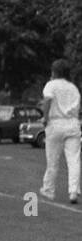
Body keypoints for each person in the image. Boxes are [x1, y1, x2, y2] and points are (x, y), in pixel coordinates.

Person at [40, 58, 81, 204]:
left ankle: (49, 189)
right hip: (73, 123)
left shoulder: (51, 85)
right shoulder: (73, 87)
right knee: (74, 159)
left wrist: (45, 118)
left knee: (52, 159)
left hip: (55, 123)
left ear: (54, 71)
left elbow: (48, 100)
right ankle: (73, 191)